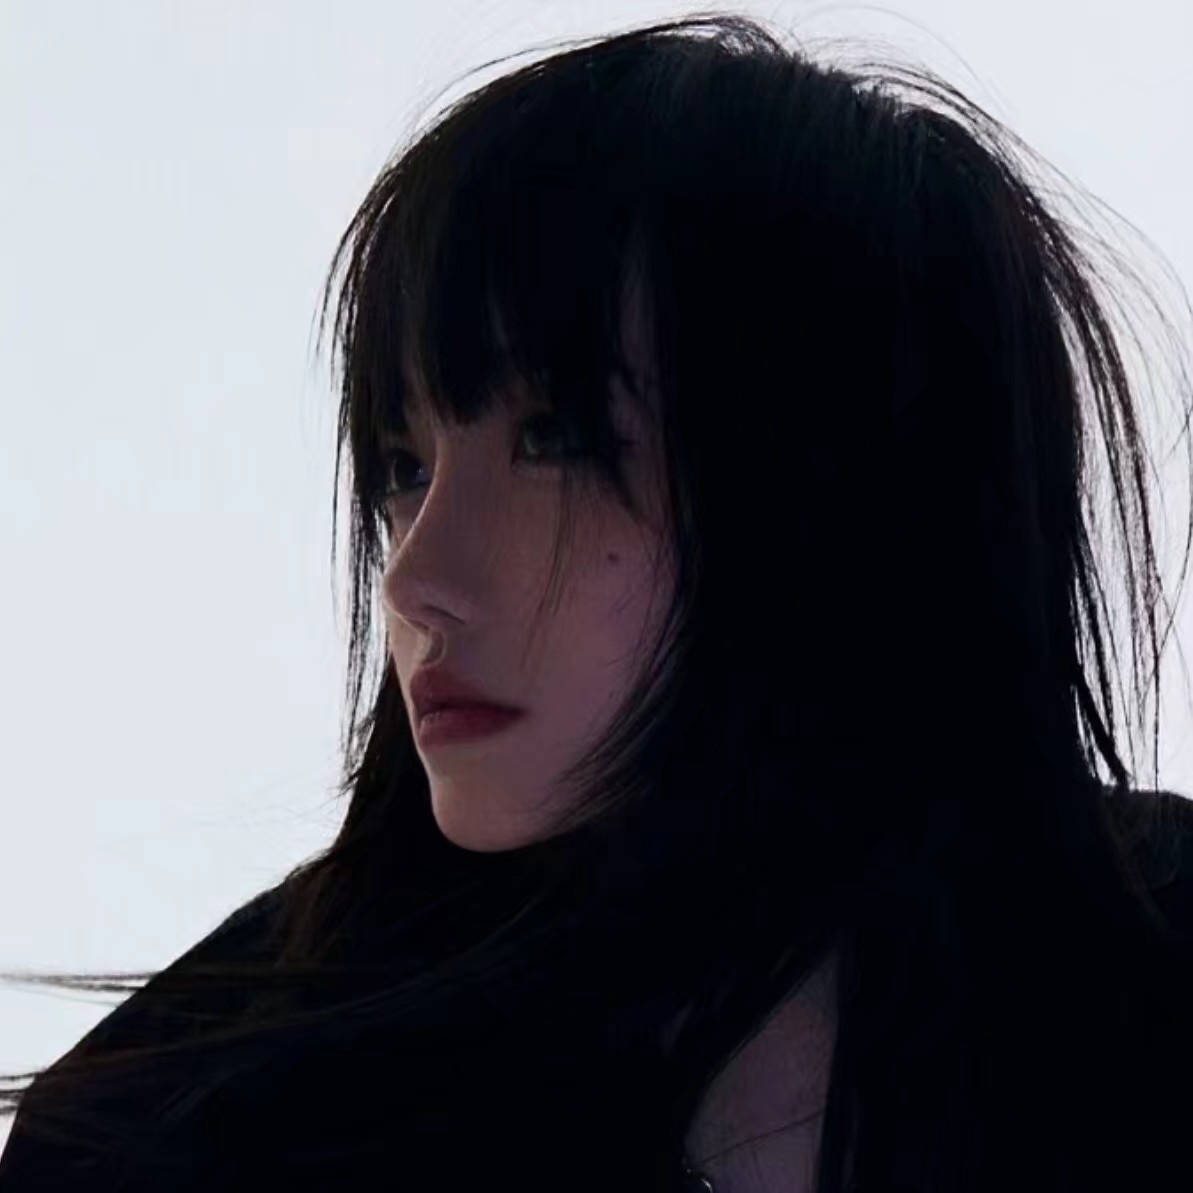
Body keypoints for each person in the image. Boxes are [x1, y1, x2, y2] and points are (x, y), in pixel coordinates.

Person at [3, 12, 1193, 1192]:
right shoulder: (181, 1135)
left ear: (836, 479)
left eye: (553, 439)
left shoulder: (1150, 984)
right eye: (404, 466)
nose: (416, 579)